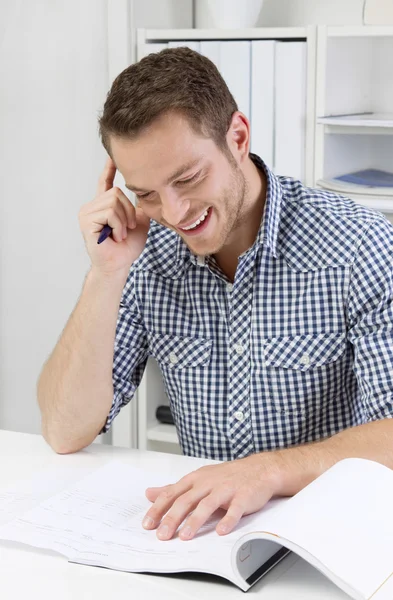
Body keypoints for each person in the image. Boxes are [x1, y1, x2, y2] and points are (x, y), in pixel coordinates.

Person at [37, 48, 393, 543]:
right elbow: (64, 429)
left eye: (187, 178)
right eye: (147, 193)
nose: (175, 211)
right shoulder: (143, 254)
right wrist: (104, 274)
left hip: (331, 534)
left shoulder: (359, 246)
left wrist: (265, 471)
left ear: (238, 138)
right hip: (208, 541)